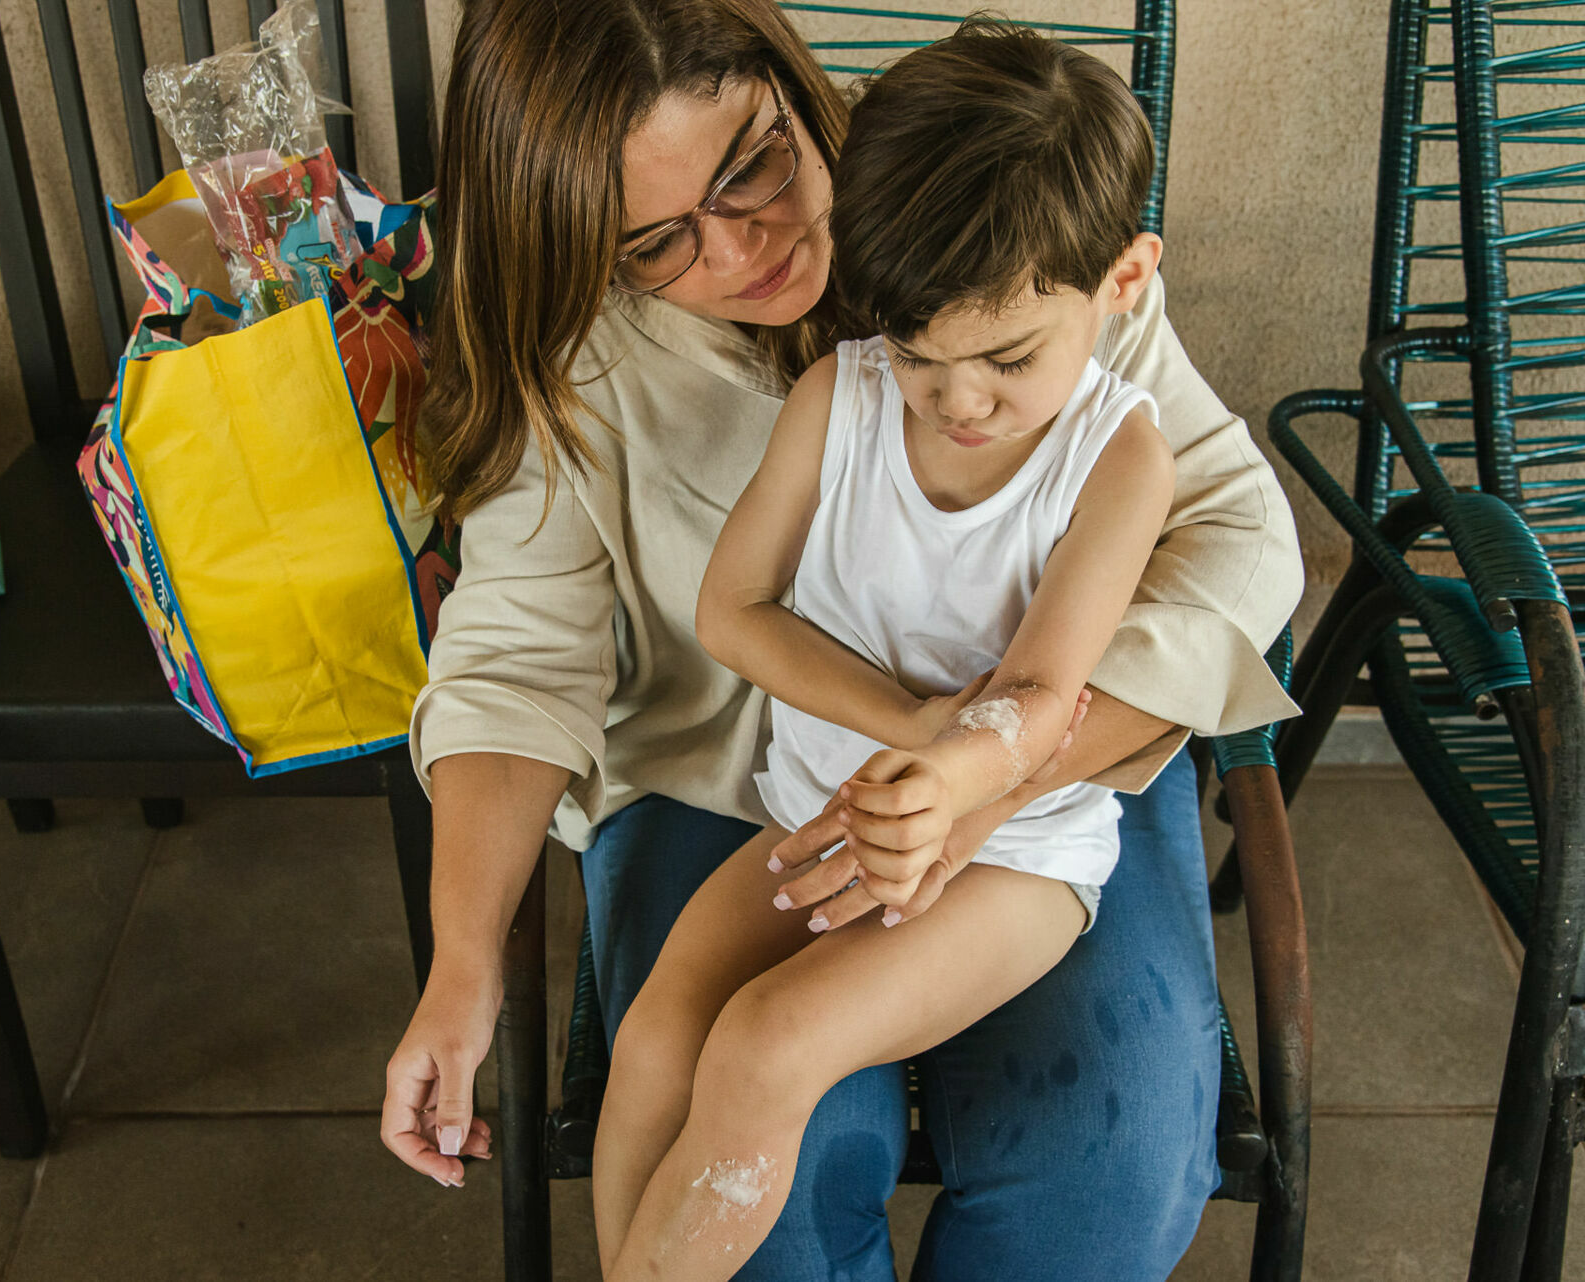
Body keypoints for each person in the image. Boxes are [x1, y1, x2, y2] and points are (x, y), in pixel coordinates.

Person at [380, 0, 1302, 1274]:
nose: (740, 247)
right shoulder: (577, 354)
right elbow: (514, 661)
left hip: (1053, 765)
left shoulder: (983, 202)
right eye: (655, 239)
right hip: (725, 786)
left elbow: (1238, 542)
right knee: (767, 1158)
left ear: (788, 83)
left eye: (752, 166)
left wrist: (991, 771)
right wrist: (464, 963)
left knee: (1108, 1158)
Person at [594, 24, 1208, 1278]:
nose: (961, 399)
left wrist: (956, 776)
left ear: (1126, 280)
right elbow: (737, 614)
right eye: (923, 353)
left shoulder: (1121, 458)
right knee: (661, 1031)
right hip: (823, 817)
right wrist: (917, 730)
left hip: (1011, 860)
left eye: (1008, 357)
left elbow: (1039, 692)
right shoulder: (846, 395)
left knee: (767, 1044)